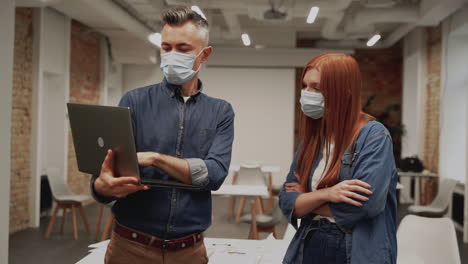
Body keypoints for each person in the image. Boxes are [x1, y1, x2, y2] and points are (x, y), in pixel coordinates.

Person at [90, 7, 235, 264]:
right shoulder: (133, 101)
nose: (172, 55)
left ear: (204, 55)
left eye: (183, 48)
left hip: (189, 252)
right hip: (130, 248)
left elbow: (214, 174)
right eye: (166, 47)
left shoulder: (220, 112)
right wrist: (102, 188)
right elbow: (106, 174)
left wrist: (157, 159)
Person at [279, 53, 397, 264]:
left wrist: (307, 199)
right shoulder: (313, 139)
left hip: (354, 247)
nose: (307, 94)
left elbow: (363, 206)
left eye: (316, 87)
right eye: (305, 86)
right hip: (311, 241)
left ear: (344, 91)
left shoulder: (374, 136)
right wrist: (328, 194)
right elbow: (286, 200)